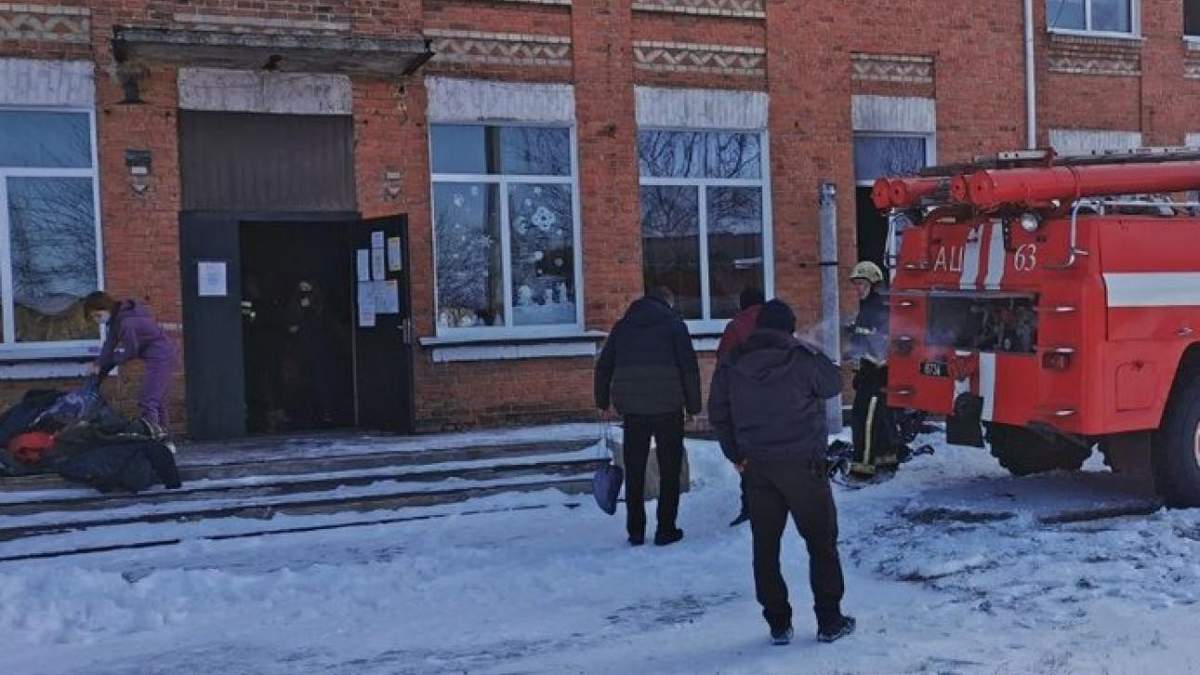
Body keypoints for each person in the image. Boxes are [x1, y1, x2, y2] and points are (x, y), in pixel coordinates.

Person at [708, 299, 856, 645]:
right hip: (805, 466)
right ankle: (829, 621)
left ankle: (777, 623)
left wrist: (735, 455)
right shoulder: (802, 359)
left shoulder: (733, 363)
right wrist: (815, 350)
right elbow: (833, 383)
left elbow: (718, 413)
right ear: (789, 328)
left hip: (757, 468)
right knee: (821, 543)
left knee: (766, 545)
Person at [595, 287, 701, 547]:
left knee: (635, 470)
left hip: (633, 411)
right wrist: (694, 406)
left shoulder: (623, 327)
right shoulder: (675, 325)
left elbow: (604, 365)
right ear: (668, 302)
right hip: (669, 408)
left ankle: (636, 531)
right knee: (670, 469)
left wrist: (602, 401)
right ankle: (666, 529)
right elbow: (689, 367)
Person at [83, 292, 177, 439]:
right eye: (93, 317)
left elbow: (131, 351)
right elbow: (109, 344)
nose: (96, 320)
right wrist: (98, 363)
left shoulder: (127, 322)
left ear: (105, 307)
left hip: (161, 357)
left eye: (97, 315)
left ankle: (154, 440)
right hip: (157, 355)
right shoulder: (118, 318)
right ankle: (165, 439)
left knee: (148, 401)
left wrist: (113, 360)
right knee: (157, 401)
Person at [716, 287, 765, 527]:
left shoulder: (734, 327)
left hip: (744, 401)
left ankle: (750, 505)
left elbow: (723, 363)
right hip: (777, 400)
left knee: (747, 455)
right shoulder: (775, 322)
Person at [846, 261, 897, 478]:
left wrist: (865, 365)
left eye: (860, 283)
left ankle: (862, 467)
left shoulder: (875, 308)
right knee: (880, 418)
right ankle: (887, 460)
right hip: (873, 372)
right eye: (855, 284)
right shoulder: (872, 306)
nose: (857, 288)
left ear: (872, 283)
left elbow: (878, 345)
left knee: (863, 419)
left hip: (876, 373)